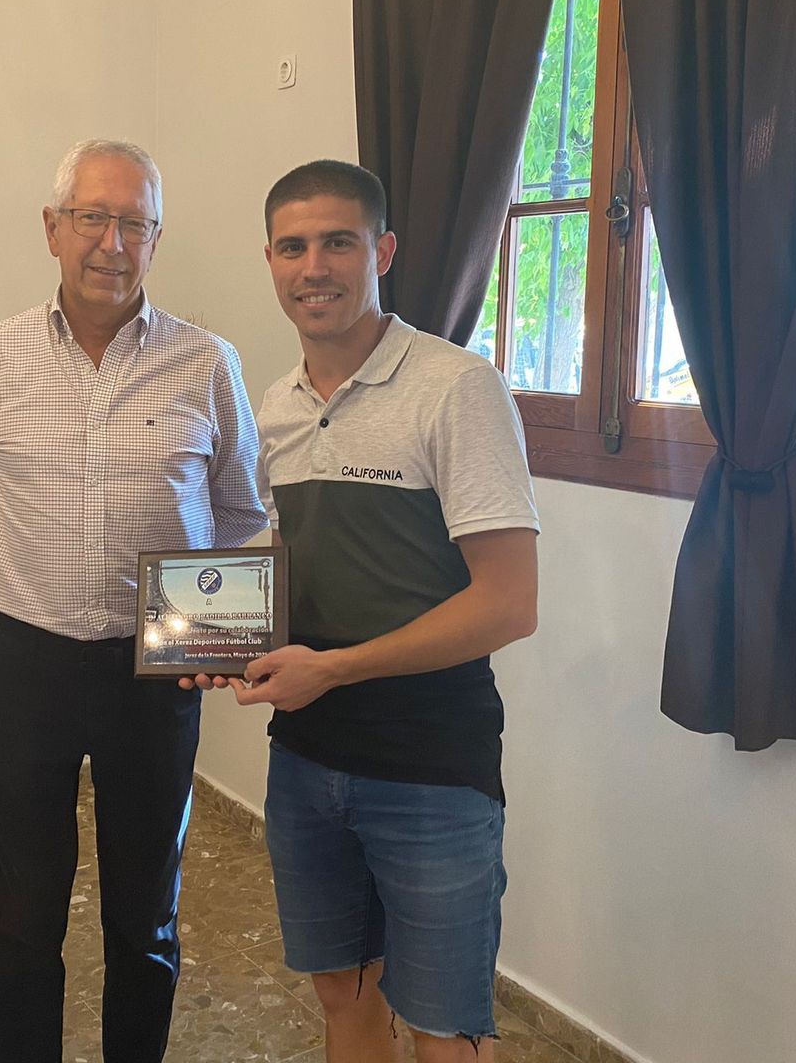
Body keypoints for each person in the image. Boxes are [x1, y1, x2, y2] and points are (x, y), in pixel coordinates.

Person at [191, 160, 539, 1061]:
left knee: (445, 1031)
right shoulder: (277, 406)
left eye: (339, 242)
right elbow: (302, 568)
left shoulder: (457, 388)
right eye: (294, 246)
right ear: (269, 260)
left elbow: (509, 604)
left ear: (381, 250)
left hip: (432, 767)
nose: (316, 266)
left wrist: (333, 670)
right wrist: (217, 633)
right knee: (344, 1007)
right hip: (306, 764)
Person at [0, 139, 268, 1062]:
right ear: (53, 229)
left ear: (155, 240)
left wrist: (195, 624)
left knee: (145, 913)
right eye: (93, 218)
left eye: (135, 224)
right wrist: (25, 580)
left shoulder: (206, 362)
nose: (112, 243)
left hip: (153, 674)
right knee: (18, 913)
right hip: (23, 663)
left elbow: (239, 509)